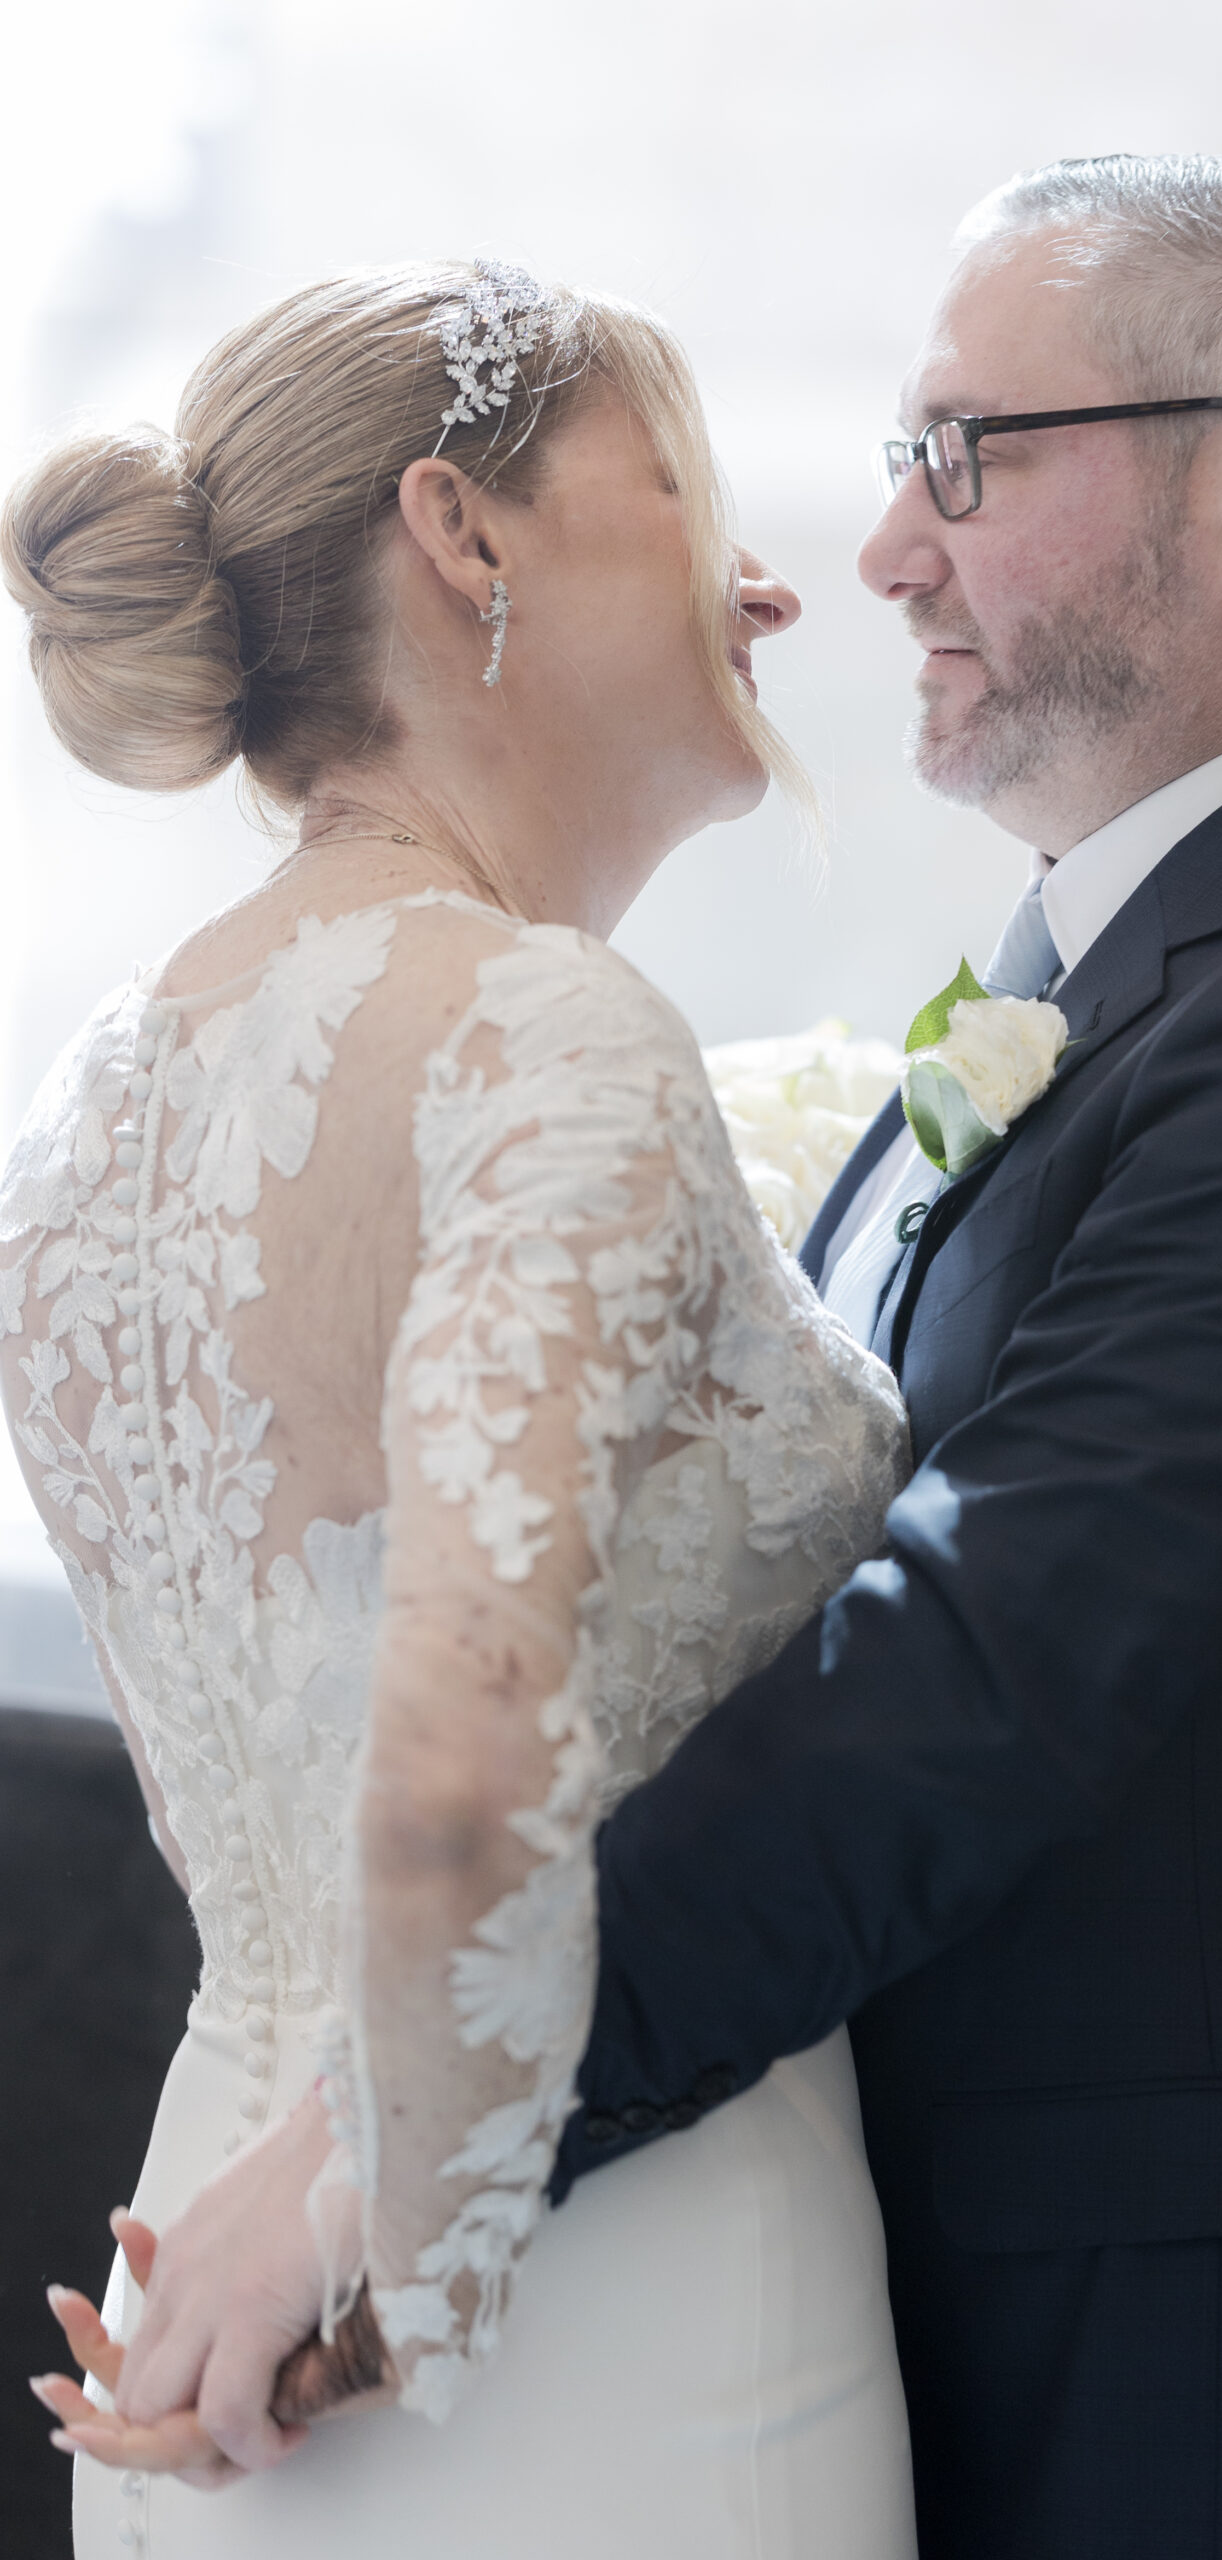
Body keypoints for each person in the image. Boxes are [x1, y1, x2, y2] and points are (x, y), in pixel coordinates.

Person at [45, 154, 1222, 2559]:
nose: (881, 549)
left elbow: (975, 1654)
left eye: (969, 453)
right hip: (740, 2278)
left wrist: (400, 2135)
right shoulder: (1056, 979)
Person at [0, 260, 919, 2559]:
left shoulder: (73, 1125)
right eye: (682, 487)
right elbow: (450, 1746)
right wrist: (417, 2250)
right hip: (566, 2307)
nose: (753, 567)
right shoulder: (542, 1032)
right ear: (464, 534)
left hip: (209, 2255)